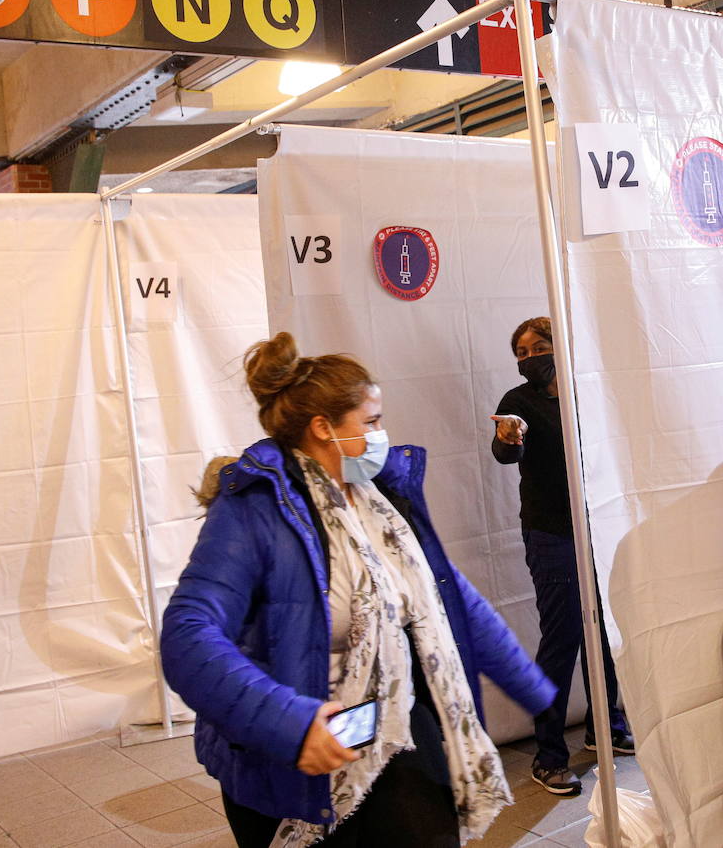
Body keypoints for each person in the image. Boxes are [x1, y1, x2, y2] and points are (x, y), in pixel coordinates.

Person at [162, 332, 555, 848]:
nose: (381, 434)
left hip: (391, 719)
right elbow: (187, 636)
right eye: (370, 422)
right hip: (296, 743)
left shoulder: (381, 500)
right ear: (323, 427)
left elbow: (445, 595)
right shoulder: (253, 511)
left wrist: (530, 685)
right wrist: (288, 720)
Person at [489, 316, 634, 796]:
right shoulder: (517, 402)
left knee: (604, 629)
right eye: (522, 352)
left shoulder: (584, 391)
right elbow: (507, 450)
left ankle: (604, 726)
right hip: (551, 534)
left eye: (538, 347)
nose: (529, 357)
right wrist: (509, 438)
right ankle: (549, 755)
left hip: (599, 528)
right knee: (564, 635)